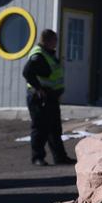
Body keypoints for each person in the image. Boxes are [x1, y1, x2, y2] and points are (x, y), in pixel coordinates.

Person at [22, 29, 75, 167]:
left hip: (51, 97)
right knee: (40, 128)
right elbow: (27, 72)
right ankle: (37, 157)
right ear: (47, 41)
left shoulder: (48, 54)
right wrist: (38, 88)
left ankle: (60, 157)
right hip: (39, 98)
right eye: (54, 40)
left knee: (54, 128)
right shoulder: (38, 55)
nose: (56, 43)